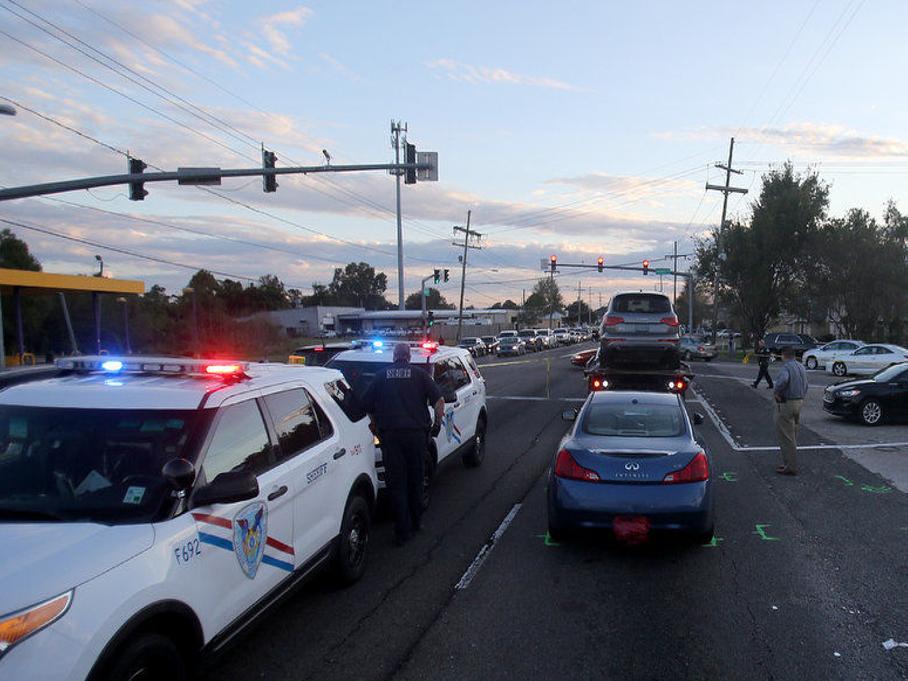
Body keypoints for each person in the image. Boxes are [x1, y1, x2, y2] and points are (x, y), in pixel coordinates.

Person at [362, 343, 444, 545]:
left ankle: (402, 532)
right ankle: (416, 522)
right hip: (417, 437)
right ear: (408, 357)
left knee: (396, 485)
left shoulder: (381, 376)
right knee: (416, 480)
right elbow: (439, 400)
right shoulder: (420, 375)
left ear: (394, 357)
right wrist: (437, 424)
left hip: (391, 439)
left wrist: (374, 423)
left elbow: (366, 404)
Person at [773, 346, 808, 476]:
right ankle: (788, 463)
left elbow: (783, 380)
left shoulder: (786, 367)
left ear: (784, 355)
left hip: (788, 402)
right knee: (793, 433)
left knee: (786, 436)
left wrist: (777, 392)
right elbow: (806, 385)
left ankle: (791, 466)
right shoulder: (801, 367)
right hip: (799, 401)